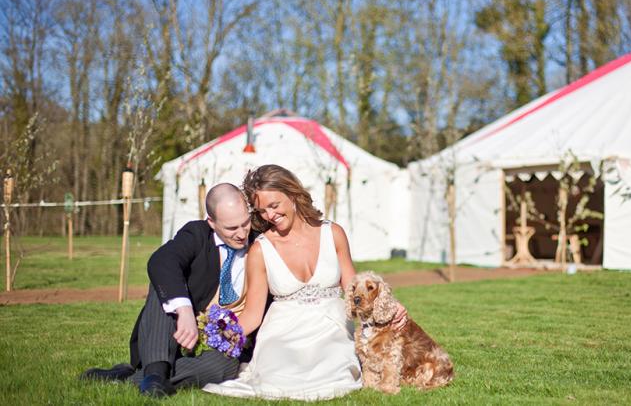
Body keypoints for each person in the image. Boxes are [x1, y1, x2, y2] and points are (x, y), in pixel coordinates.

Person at [203, 164, 406, 401]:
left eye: (274, 205)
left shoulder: (334, 234)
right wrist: (221, 335)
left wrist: (390, 308)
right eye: (261, 211)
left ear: (293, 195)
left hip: (332, 329)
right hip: (282, 333)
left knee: (333, 374)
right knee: (276, 379)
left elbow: (355, 291)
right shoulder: (260, 249)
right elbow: (253, 314)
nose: (269, 215)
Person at [81, 183, 265, 397]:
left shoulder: (259, 243)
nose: (242, 234)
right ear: (212, 223)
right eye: (232, 228)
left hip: (222, 339)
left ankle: (144, 378)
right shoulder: (196, 233)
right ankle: (156, 368)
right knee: (167, 287)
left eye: (245, 223)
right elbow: (161, 261)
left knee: (223, 369)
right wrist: (184, 310)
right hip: (172, 331)